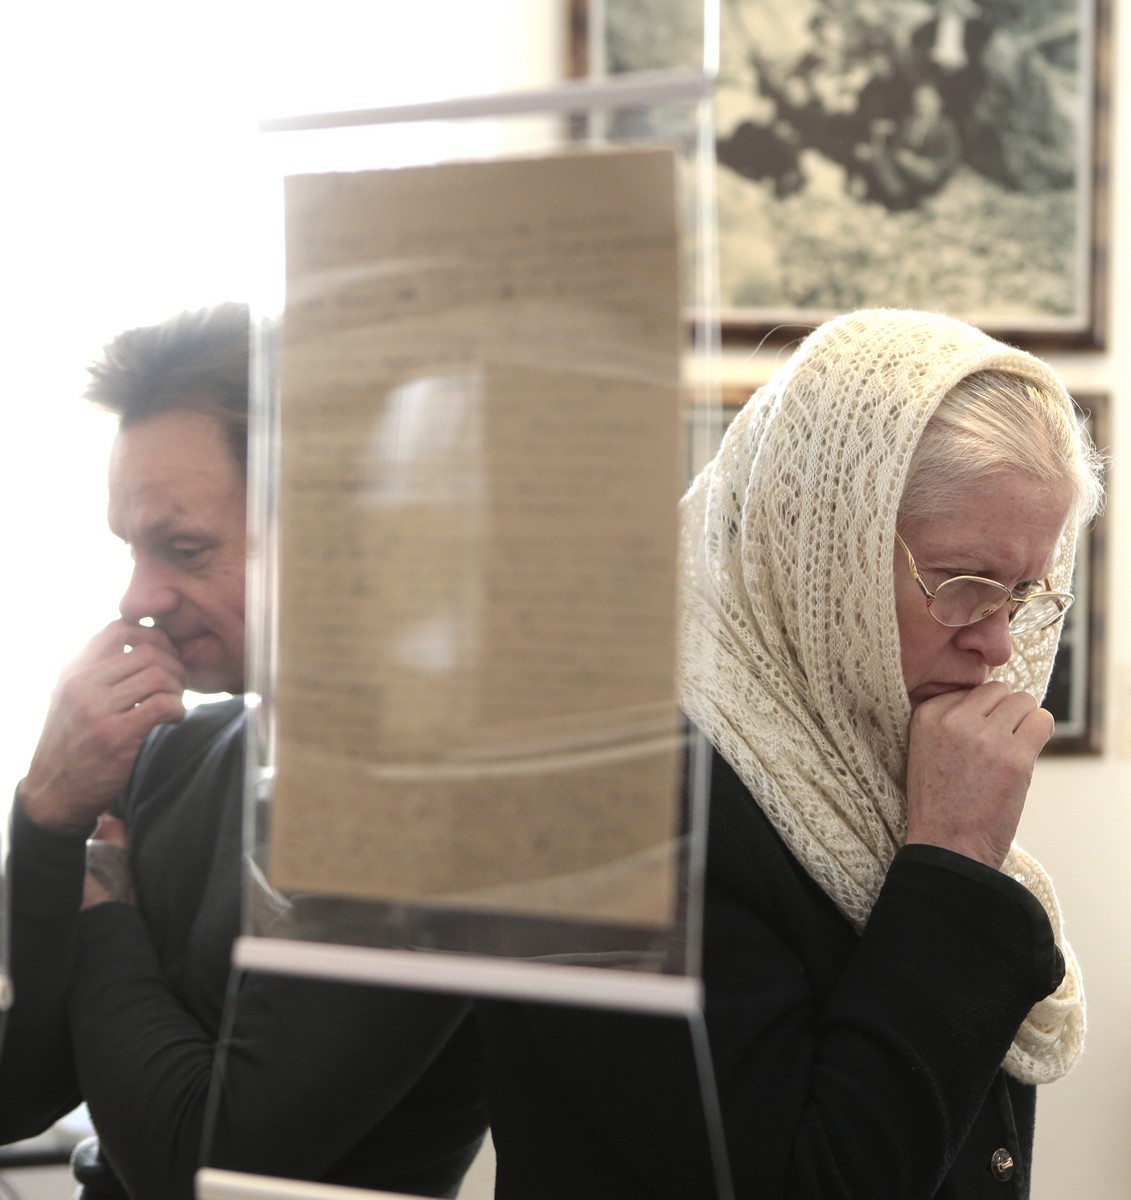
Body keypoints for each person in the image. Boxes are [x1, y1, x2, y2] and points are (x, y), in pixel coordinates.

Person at [477, 308, 1100, 1198]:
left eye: (1026, 591)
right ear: (821, 546)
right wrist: (956, 855)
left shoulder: (861, 749)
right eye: (963, 584)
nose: (997, 644)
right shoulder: (595, 799)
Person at [0, 303, 486, 1199]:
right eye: (132, 549)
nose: (138, 597)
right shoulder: (174, 751)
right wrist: (46, 816)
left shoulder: (432, 800)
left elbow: (199, 1163)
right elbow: (13, 1093)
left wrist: (104, 913)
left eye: (183, 549)